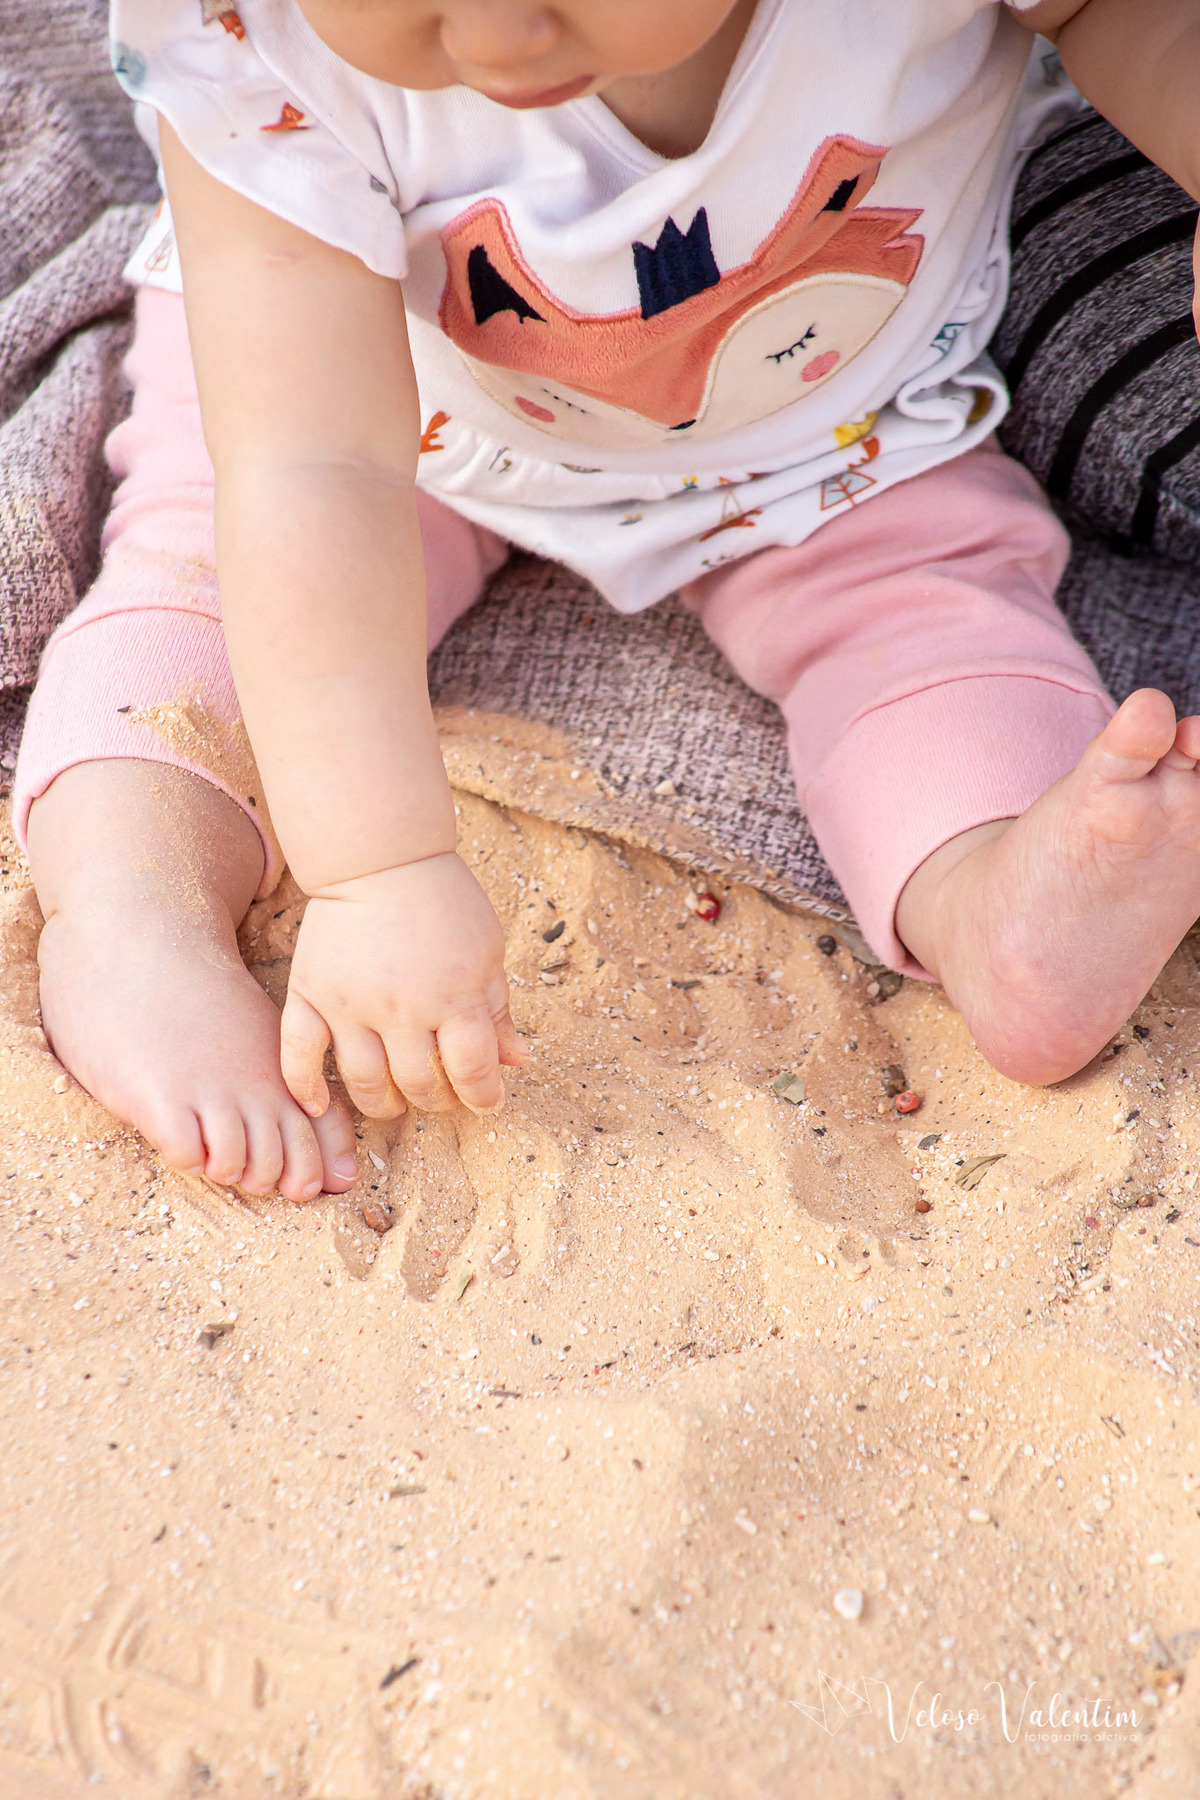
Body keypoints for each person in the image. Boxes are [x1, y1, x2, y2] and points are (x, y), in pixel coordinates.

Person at [14, 0, 1200, 1200]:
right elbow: (309, 471)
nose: (494, 38)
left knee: (927, 610)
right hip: (386, 412)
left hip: (829, 431)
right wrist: (378, 869)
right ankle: (130, 906)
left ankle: (996, 895)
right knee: (211, 585)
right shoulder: (256, 35)